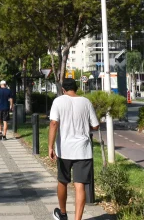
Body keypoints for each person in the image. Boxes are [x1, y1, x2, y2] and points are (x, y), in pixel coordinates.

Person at [48, 78, 100, 220]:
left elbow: (53, 123)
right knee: (80, 186)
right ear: (76, 88)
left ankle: (63, 214)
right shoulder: (86, 102)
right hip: (83, 149)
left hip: (64, 149)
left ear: (63, 89)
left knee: (62, 181)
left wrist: (50, 146)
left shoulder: (58, 101)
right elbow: (95, 125)